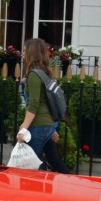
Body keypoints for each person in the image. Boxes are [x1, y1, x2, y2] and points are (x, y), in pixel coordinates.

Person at [15, 38, 70, 173]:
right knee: (53, 160)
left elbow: (33, 104)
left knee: (30, 165)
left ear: (31, 53)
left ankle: (35, 191)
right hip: (47, 125)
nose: (23, 54)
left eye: (24, 50)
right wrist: (52, 128)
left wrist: (23, 128)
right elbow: (47, 102)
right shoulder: (44, 73)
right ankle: (72, 183)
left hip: (37, 126)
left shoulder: (34, 74)